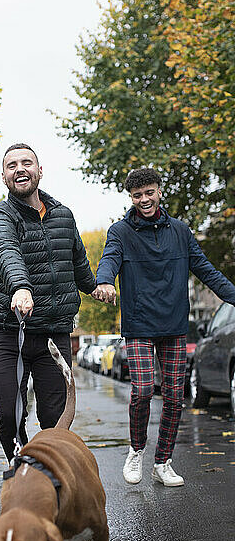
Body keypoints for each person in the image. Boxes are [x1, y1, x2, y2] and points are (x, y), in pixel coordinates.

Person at [92, 167, 235, 487]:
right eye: (137, 195)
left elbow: (207, 271)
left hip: (173, 324)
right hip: (139, 323)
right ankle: (136, 450)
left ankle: (163, 461)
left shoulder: (180, 232)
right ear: (131, 198)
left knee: (173, 396)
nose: (144, 200)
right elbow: (110, 259)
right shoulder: (120, 232)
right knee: (142, 390)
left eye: (149, 193)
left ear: (159, 191)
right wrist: (104, 281)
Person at [0, 143, 96, 462]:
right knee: (8, 415)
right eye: (11, 165)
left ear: (39, 170)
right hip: (10, 335)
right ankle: (19, 467)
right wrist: (20, 287)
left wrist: (95, 286)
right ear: (4, 177)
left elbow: (76, 260)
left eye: (26, 162)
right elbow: (6, 252)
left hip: (54, 335)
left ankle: (50, 476)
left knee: (55, 420)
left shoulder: (63, 214)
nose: (20, 168)